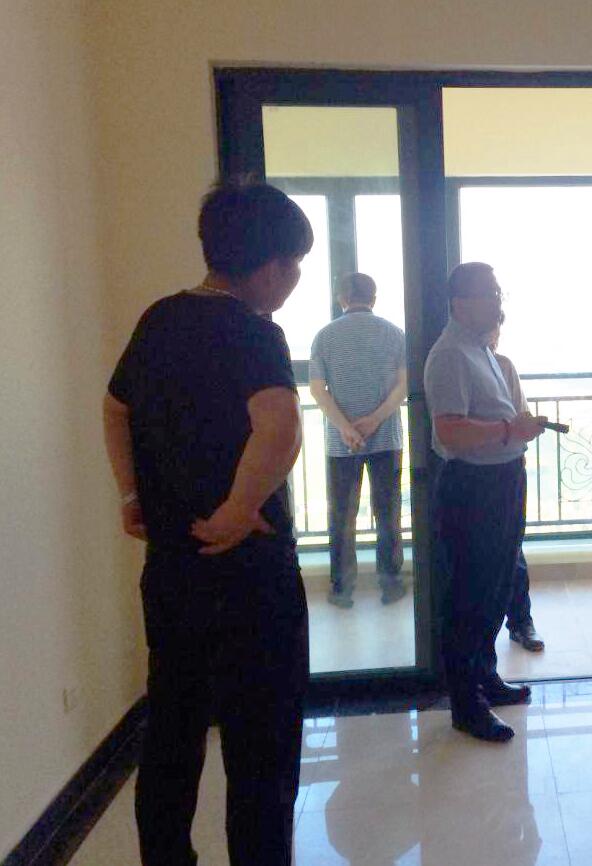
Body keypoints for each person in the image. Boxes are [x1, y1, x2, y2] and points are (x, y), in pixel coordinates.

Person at [102, 180, 313, 865]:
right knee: (261, 745)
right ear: (271, 266)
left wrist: (131, 495)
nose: (294, 280)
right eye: (294, 265)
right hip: (249, 573)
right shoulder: (254, 330)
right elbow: (279, 427)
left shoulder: (158, 318)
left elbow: (115, 408)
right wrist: (239, 509)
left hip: (171, 565)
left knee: (172, 728)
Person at [425, 262, 546, 742]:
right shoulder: (450, 354)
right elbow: (449, 431)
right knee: (470, 596)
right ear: (460, 303)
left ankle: (486, 677)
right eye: (489, 294)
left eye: (499, 293)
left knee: (496, 587)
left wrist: (515, 430)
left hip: (502, 480)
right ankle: (466, 704)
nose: (498, 302)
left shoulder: (481, 350)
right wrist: (509, 429)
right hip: (474, 488)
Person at [309, 272, 408, 608]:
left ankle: (342, 589)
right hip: (386, 438)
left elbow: (317, 390)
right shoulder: (395, 334)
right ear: (374, 298)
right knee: (388, 512)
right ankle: (391, 584)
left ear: (341, 299)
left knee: (342, 516)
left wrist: (345, 428)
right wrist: (376, 419)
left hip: (341, 443)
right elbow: (403, 386)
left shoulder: (324, 336)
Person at [487, 314, 545, 653]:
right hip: (475, 469)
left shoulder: (503, 365)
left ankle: (521, 621)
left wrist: (524, 428)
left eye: (496, 330)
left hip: (507, 464)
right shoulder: (455, 361)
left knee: (512, 548)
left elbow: (519, 415)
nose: (493, 336)